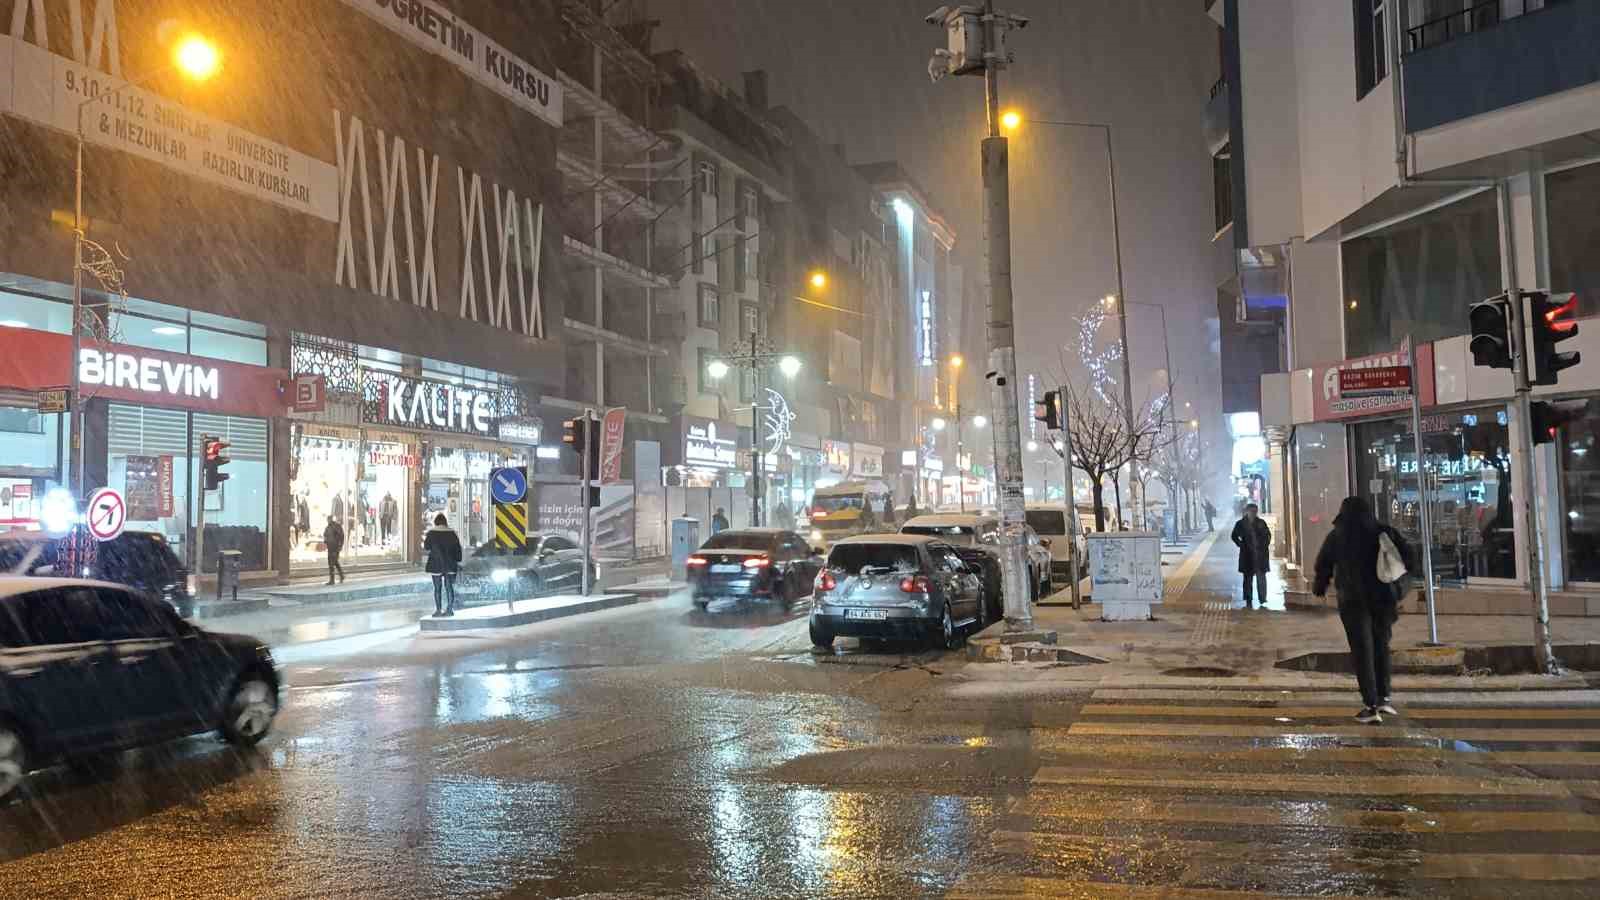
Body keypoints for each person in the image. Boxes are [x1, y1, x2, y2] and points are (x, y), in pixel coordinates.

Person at [1313, 496, 1412, 724]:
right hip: (1382, 600)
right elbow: (1407, 557)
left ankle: (1370, 705)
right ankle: (1384, 697)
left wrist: (1321, 584)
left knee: (1362, 651)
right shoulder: (1382, 531)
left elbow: (1324, 562)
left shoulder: (1338, 535)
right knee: (1381, 647)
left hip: (1353, 601)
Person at [1231, 503, 1271, 608]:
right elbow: (1234, 536)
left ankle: (1262, 598)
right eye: (1252, 511)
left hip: (1260, 555)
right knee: (1248, 578)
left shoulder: (1261, 523)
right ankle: (1248, 598)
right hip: (1247, 555)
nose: (1254, 513)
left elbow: (1268, 536)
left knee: (1261, 577)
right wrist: (1241, 544)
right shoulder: (1240, 524)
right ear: (1247, 511)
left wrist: (1263, 546)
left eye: (1255, 511)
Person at [423, 513, 463, 617]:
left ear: (435, 522)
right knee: (449, 587)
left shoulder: (431, 533)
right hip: (450, 564)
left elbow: (426, 547)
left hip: (436, 564)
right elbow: (458, 549)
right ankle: (449, 609)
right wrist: (458, 560)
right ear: (445, 522)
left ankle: (438, 610)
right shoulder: (452, 533)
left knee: (437, 588)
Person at [322, 515, 346, 585]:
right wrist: (325, 542)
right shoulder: (328, 527)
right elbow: (325, 536)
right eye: (327, 519)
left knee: (332, 563)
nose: (328, 520)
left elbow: (341, 536)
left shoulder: (336, 526)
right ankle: (341, 575)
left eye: (328, 519)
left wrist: (340, 546)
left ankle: (332, 580)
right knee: (334, 562)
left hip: (335, 547)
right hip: (330, 547)